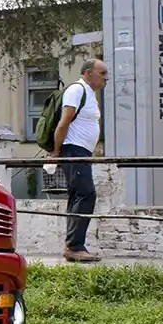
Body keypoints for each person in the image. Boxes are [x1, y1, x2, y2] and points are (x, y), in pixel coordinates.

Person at [52, 59, 107, 263]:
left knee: (78, 195)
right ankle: (74, 247)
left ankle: (73, 245)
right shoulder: (77, 90)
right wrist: (57, 152)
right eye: (102, 73)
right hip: (73, 150)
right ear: (88, 73)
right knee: (86, 194)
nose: (105, 77)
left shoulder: (89, 94)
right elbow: (64, 122)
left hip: (81, 151)